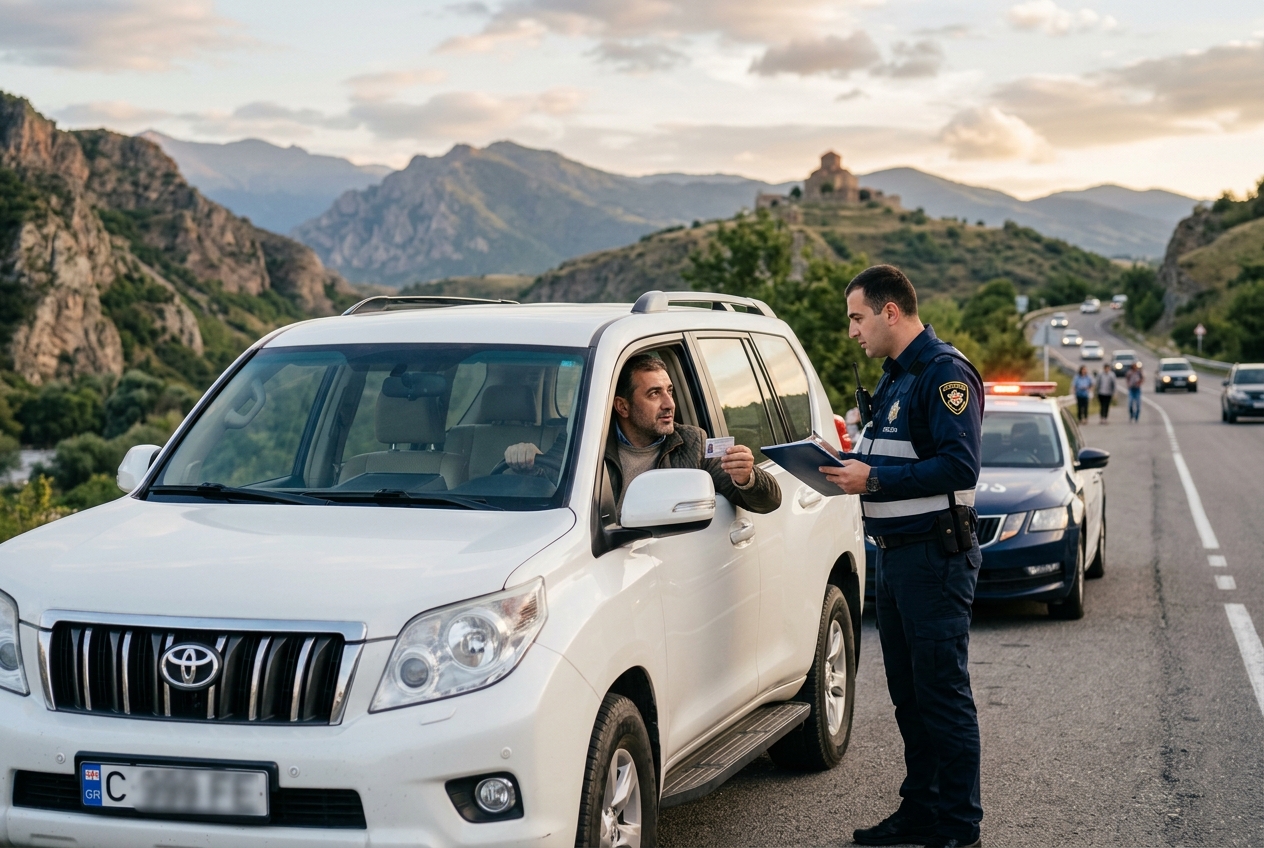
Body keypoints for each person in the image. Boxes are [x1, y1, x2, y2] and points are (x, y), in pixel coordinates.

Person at [818, 265, 984, 848]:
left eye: (856, 318)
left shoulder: (943, 373)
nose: (852, 333)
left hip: (934, 561)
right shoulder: (896, 377)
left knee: (942, 696)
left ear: (892, 312)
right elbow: (884, 451)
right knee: (910, 699)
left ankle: (959, 830)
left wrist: (875, 481)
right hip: (894, 559)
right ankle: (922, 813)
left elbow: (959, 466)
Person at [502, 353, 781, 518]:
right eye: (654, 394)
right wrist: (524, 464)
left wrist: (746, 477)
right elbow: (547, 495)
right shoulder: (583, 443)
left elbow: (768, 502)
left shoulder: (693, 443)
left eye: (669, 391)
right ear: (622, 406)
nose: (670, 404)